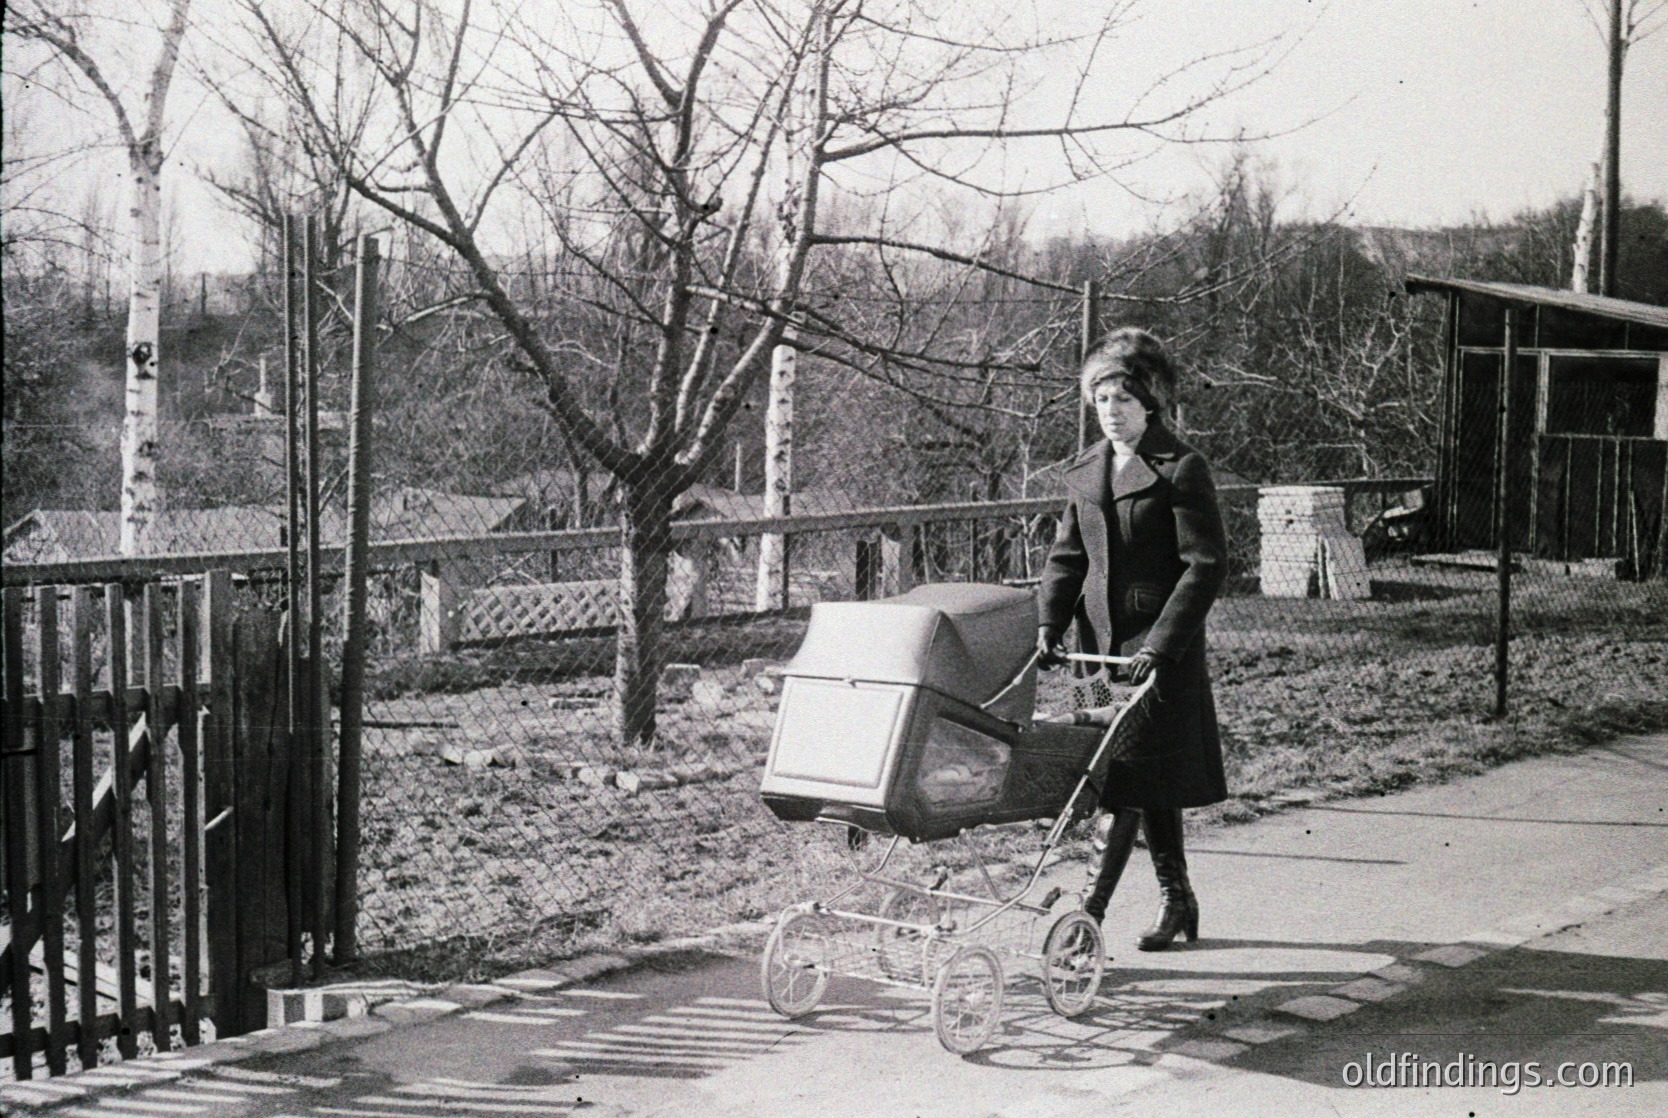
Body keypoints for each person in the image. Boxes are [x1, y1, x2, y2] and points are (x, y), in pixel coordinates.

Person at [1036, 327, 1228, 951]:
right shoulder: (1086, 471)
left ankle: (1084, 922)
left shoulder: (1181, 469)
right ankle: (1179, 900)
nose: (1111, 413)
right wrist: (1049, 625)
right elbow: (1068, 560)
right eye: (1100, 402)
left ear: (1151, 403)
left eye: (1123, 400)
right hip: (1096, 649)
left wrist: (1163, 644)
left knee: (1120, 781)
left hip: (1155, 650)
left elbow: (1205, 564)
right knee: (1147, 777)